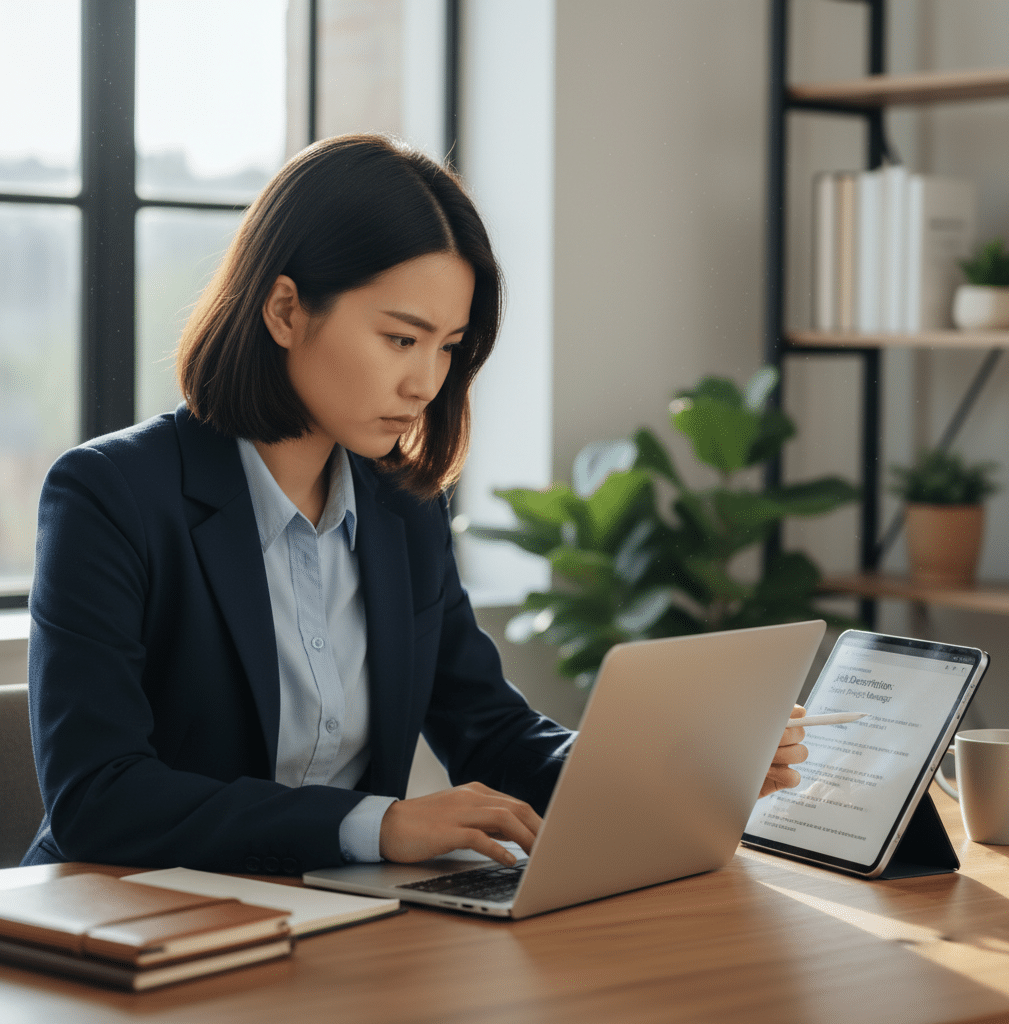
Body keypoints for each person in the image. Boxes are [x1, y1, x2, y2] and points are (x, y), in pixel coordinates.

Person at [23, 135, 807, 876]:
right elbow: (98, 797)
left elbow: (491, 734)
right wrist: (378, 825)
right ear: (285, 310)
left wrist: (673, 765)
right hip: (120, 924)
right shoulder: (110, 495)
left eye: (448, 347)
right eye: (402, 339)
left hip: (331, 923)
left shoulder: (402, 508)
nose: (427, 383)